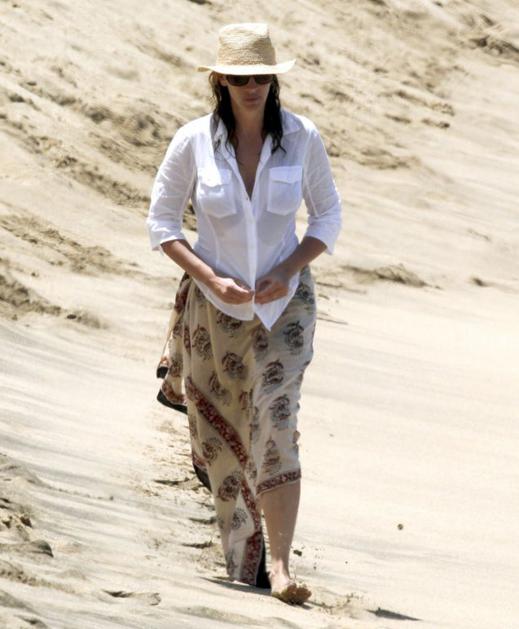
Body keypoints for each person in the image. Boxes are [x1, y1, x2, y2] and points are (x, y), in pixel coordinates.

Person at [146, 22, 342, 605]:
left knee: (276, 420)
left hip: (285, 306)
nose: (252, 87)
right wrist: (209, 277)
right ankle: (244, 557)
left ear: (274, 81)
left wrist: (290, 267)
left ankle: (279, 567)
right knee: (223, 432)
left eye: (261, 77)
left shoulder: (302, 137)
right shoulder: (193, 141)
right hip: (214, 312)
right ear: (220, 81)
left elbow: (327, 217)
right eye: (239, 78)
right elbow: (161, 223)